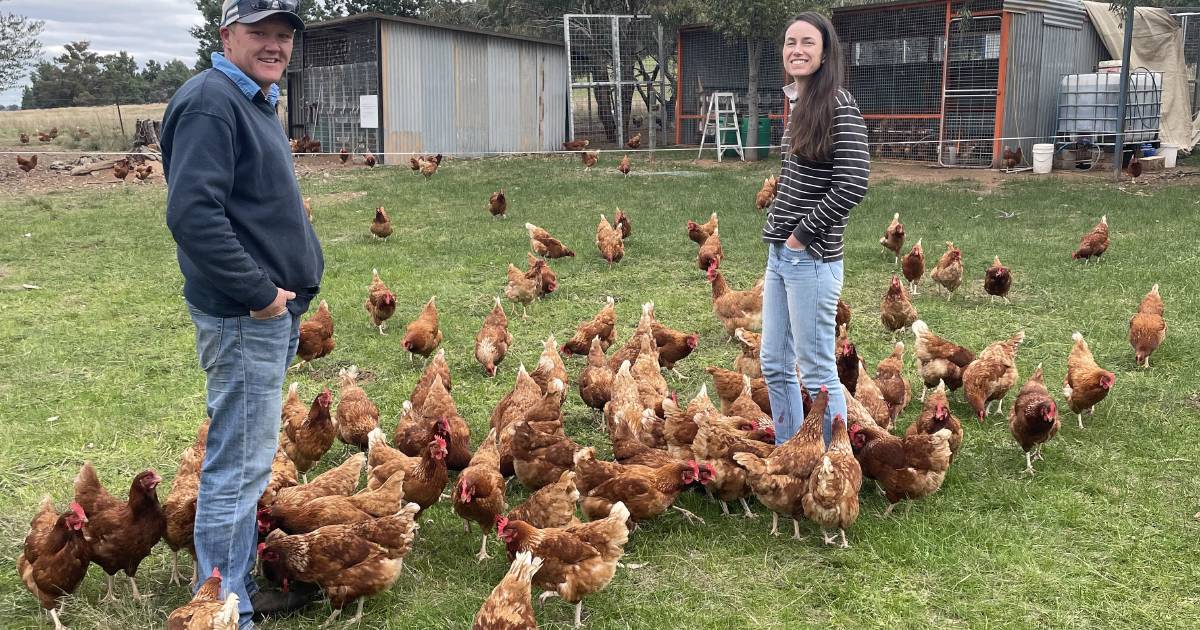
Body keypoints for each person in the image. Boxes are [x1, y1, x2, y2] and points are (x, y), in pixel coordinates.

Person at [162, 1, 323, 627]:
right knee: (237, 464)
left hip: (264, 315)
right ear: (226, 34)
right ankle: (225, 609)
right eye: (260, 33)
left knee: (247, 457)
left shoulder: (251, 98)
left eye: (283, 36)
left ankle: (235, 588)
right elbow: (193, 215)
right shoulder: (211, 102)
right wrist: (258, 293)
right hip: (245, 316)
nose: (275, 45)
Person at [760, 12, 869, 447]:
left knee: (817, 367)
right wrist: (782, 236)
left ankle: (832, 460)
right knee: (774, 363)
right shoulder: (799, 103)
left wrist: (801, 235)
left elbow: (853, 182)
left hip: (812, 257)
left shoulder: (838, 104)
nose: (797, 50)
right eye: (791, 42)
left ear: (825, 54)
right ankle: (793, 453)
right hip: (780, 255)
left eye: (808, 42)